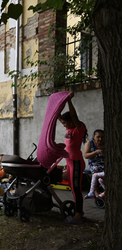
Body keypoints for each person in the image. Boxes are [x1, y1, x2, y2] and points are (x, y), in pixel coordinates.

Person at [59, 92, 88, 224]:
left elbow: (74, 115)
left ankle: (78, 216)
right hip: (69, 163)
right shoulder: (69, 130)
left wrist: (69, 101)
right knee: (72, 187)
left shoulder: (78, 129)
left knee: (76, 188)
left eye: (65, 123)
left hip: (76, 162)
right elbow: (58, 117)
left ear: (71, 121)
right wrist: (57, 103)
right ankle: (79, 211)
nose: (63, 125)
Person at [84, 129, 105, 199]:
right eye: (98, 137)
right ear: (94, 136)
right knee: (96, 172)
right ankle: (96, 194)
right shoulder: (90, 143)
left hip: (104, 164)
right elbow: (86, 155)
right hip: (94, 164)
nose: (100, 139)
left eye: (102, 137)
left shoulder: (107, 143)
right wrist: (95, 153)